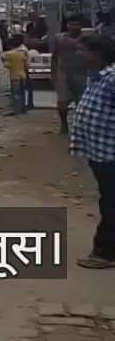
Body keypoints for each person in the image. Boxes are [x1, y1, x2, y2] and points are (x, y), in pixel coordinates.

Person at [68, 34, 115, 269]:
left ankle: (105, 253)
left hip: (110, 155)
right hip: (99, 154)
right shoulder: (95, 77)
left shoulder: (112, 79)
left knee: (111, 204)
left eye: (82, 50)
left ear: (97, 54)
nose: (78, 55)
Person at [53, 18, 88, 134]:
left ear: (81, 26)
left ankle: (80, 127)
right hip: (63, 73)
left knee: (81, 102)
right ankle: (64, 125)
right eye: (72, 24)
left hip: (82, 73)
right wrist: (53, 74)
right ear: (67, 25)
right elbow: (54, 57)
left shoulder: (87, 39)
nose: (75, 27)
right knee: (62, 103)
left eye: (77, 24)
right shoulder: (59, 38)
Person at [3, 35, 31, 116]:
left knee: (15, 93)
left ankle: (16, 110)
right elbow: (27, 64)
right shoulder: (24, 52)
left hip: (14, 76)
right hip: (23, 75)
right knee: (22, 93)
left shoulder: (10, 54)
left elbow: (7, 65)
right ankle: (23, 109)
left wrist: (4, 61)